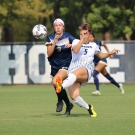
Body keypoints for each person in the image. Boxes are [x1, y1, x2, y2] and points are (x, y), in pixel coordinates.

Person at [55, 23, 120, 117]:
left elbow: (101, 55)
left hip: (86, 69)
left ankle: (60, 87)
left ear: (89, 35)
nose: (83, 36)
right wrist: (81, 40)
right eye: (81, 34)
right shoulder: (75, 41)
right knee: (74, 97)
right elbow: (76, 50)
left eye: (85, 34)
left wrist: (110, 53)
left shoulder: (93, 45)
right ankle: (89, 107)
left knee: (73, 75)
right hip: (74, 69)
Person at [45, 18, 75, 115]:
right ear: (54, 27)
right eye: (56, 25)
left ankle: (60, 101)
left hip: (66, 64)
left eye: (60, 25)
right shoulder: (50, 37)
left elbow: (78, 44)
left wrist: (72, 45)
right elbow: (49, 54)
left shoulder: (68, 36)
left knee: (56, 81)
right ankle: (68, 104)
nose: (58, 27)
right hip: (55, 65)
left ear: (63, 27)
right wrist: (55, 41)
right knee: (56, 85)